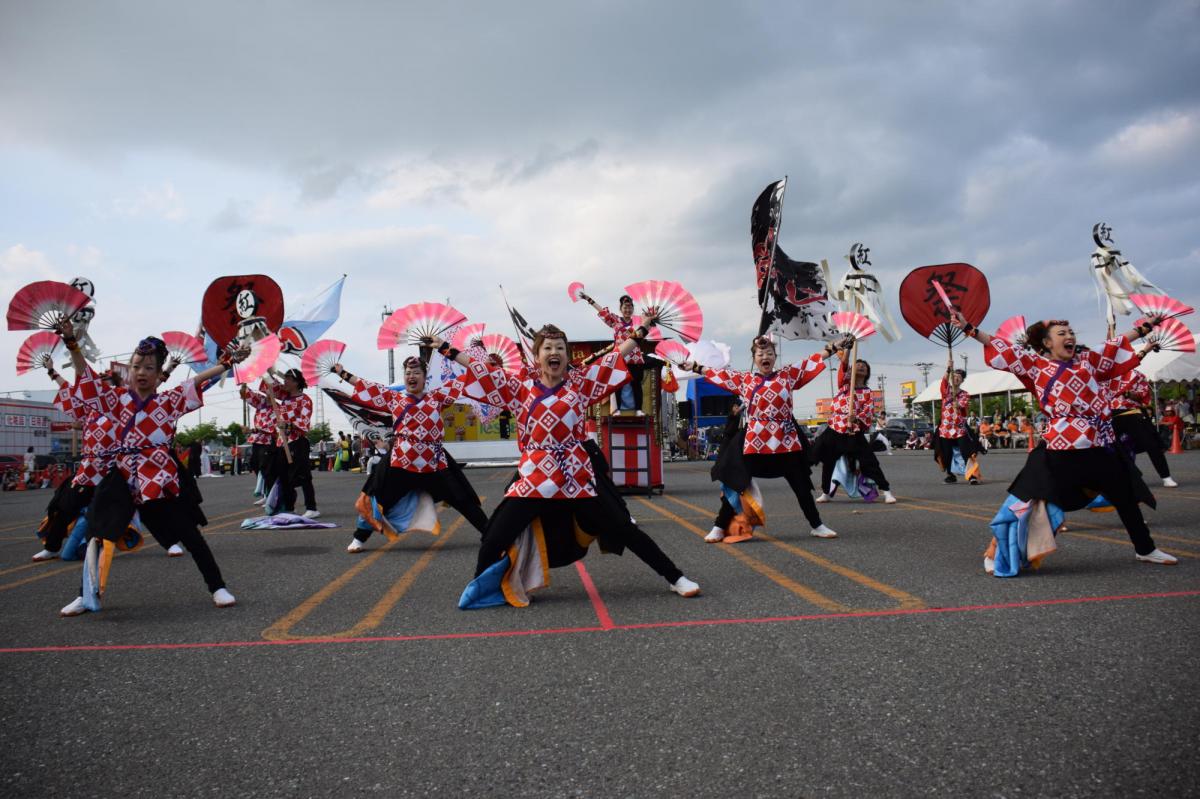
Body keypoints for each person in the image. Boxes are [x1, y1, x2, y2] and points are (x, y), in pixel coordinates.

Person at [461, 319, 700, 602]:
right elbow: (482, 371)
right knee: (494, 534)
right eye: (548, 347)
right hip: (536, 474)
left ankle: (675, 577)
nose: (554, 352)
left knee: (623, 527)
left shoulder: (581, 384)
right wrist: (446, 350)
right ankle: (479, 589)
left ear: (566, 356)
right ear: (537, 356)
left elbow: (615, 357)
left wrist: (643, 329)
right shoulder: (520, 388)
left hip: (576, 473)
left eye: (560, 348)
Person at [951, 311, 1177, 571]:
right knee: (1035, 502)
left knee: (1125, 496)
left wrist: (1147, 327)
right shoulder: (1035, 365)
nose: (1069, 337)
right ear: (1047, 343)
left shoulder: (1088, 360)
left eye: (1071, 333)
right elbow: (1002, 347)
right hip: (1062, 448)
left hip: (1099, 443)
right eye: (1062, 334)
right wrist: (969, 326)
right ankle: (999, 551)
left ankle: (1145, 549)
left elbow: (1115, 345)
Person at [59, 333, 244, 615]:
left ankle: (217, 587)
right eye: (136, 367)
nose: (141, 373)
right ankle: (85, 595)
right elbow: (87, 377)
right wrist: (73, 344)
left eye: (148, 368)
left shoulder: (169, 401)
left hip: (157, 478)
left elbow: (195, 382)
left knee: (189, 534)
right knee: (98, 534)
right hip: (121, 477)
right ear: (129, 370)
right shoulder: (115, 399)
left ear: (159, 375)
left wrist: (225, 364)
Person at [330, 343, 488, 552]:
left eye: (416, 372)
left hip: (434, 462)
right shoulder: (393, 398)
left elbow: (469, 378)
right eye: (408, 373)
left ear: (425, 377)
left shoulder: (438, 397)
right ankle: (359, 538)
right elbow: (366, 386)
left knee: (462, 498)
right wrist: (342, 373)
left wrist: (450, 351)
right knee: (380, 499)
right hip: (401, 462)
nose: (411, 376)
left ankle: (490, 533)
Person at [687, 335, 838, 541]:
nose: (765, 357)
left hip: (785, 439)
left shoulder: (788, 375)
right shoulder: (745, 380)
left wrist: (833, 348)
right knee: (736, 481)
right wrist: (695, 366)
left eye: (769, 354)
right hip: (755, 440)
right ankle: (719, 526)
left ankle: (817, 524)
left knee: (801, 484)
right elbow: (717, 374)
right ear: (754, 358)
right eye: (760, 354)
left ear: (775, 357)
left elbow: (811, 361)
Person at [813, 349, 896, 503]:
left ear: (867, 373)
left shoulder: (868, 393)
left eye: (864, 366)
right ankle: (826, 492)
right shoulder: (844, 384)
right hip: (835, 428)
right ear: (851, 370)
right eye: (857, 364)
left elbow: (868, 412)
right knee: (824, 458)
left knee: (869, 462)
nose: (861, 367)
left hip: (853, 432)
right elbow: (844, 364)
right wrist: (849, 349)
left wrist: (856, 419)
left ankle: (887, 491)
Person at [245, 370, 319, 518]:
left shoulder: (305, 400)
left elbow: (304, 423)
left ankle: (312, 508)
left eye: (288, 379)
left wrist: (288, 425)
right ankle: (289, 508)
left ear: (296, 382)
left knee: (303, 475)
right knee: (283, 476)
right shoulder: (285, 397)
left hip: (297, 441)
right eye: (284, 379)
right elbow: (269, 387)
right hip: (281, 441)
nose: (284, 382)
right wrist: (267, 370)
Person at [1109, 348, 1177, 488]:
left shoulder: (1137, 375)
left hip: (1132, 412)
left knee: (1151, 445)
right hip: (1111, 413)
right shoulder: (1108, 375)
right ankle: (1117, 479)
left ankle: (1166, 476)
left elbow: (1142, 396)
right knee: (1109, 448)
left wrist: (1128, 394)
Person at [582, 293, 647, 413]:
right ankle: (616, 409)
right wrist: (589, 300)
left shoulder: (638, 321)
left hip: (635, 358)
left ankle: (639, 409)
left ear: (633, 308)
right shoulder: (616, 320)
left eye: (630, 308)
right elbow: (603, 313)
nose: (627, 310)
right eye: (625, 308)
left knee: (636, 384)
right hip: (620, 357)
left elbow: (647, 325)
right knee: (618, 383)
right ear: (621, 309)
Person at [932, 352, 982, 484]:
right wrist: (949, 368)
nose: (956, 379)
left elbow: (963, 405)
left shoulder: (965, 394)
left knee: (967, 452)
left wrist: (957, 404)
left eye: (959, 377)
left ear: (962, 380)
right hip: (945, 429)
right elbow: (943, 381)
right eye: (954, 376)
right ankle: (950, 475)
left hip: (959, 428)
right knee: (946, 453)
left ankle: (972, 476)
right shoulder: (946, 391)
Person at [241, 379, 279, 503]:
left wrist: (251, 429)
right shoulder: (261, 401)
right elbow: (246, 395)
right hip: (257, 440)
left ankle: (270, 496)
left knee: (267, 469)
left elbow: (270, 427)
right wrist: (243, 384)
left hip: (268, 441)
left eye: (270, 389)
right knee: (255, 465)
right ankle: (264, 493)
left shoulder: (277, 407)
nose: (267, 391)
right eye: (266, 388)